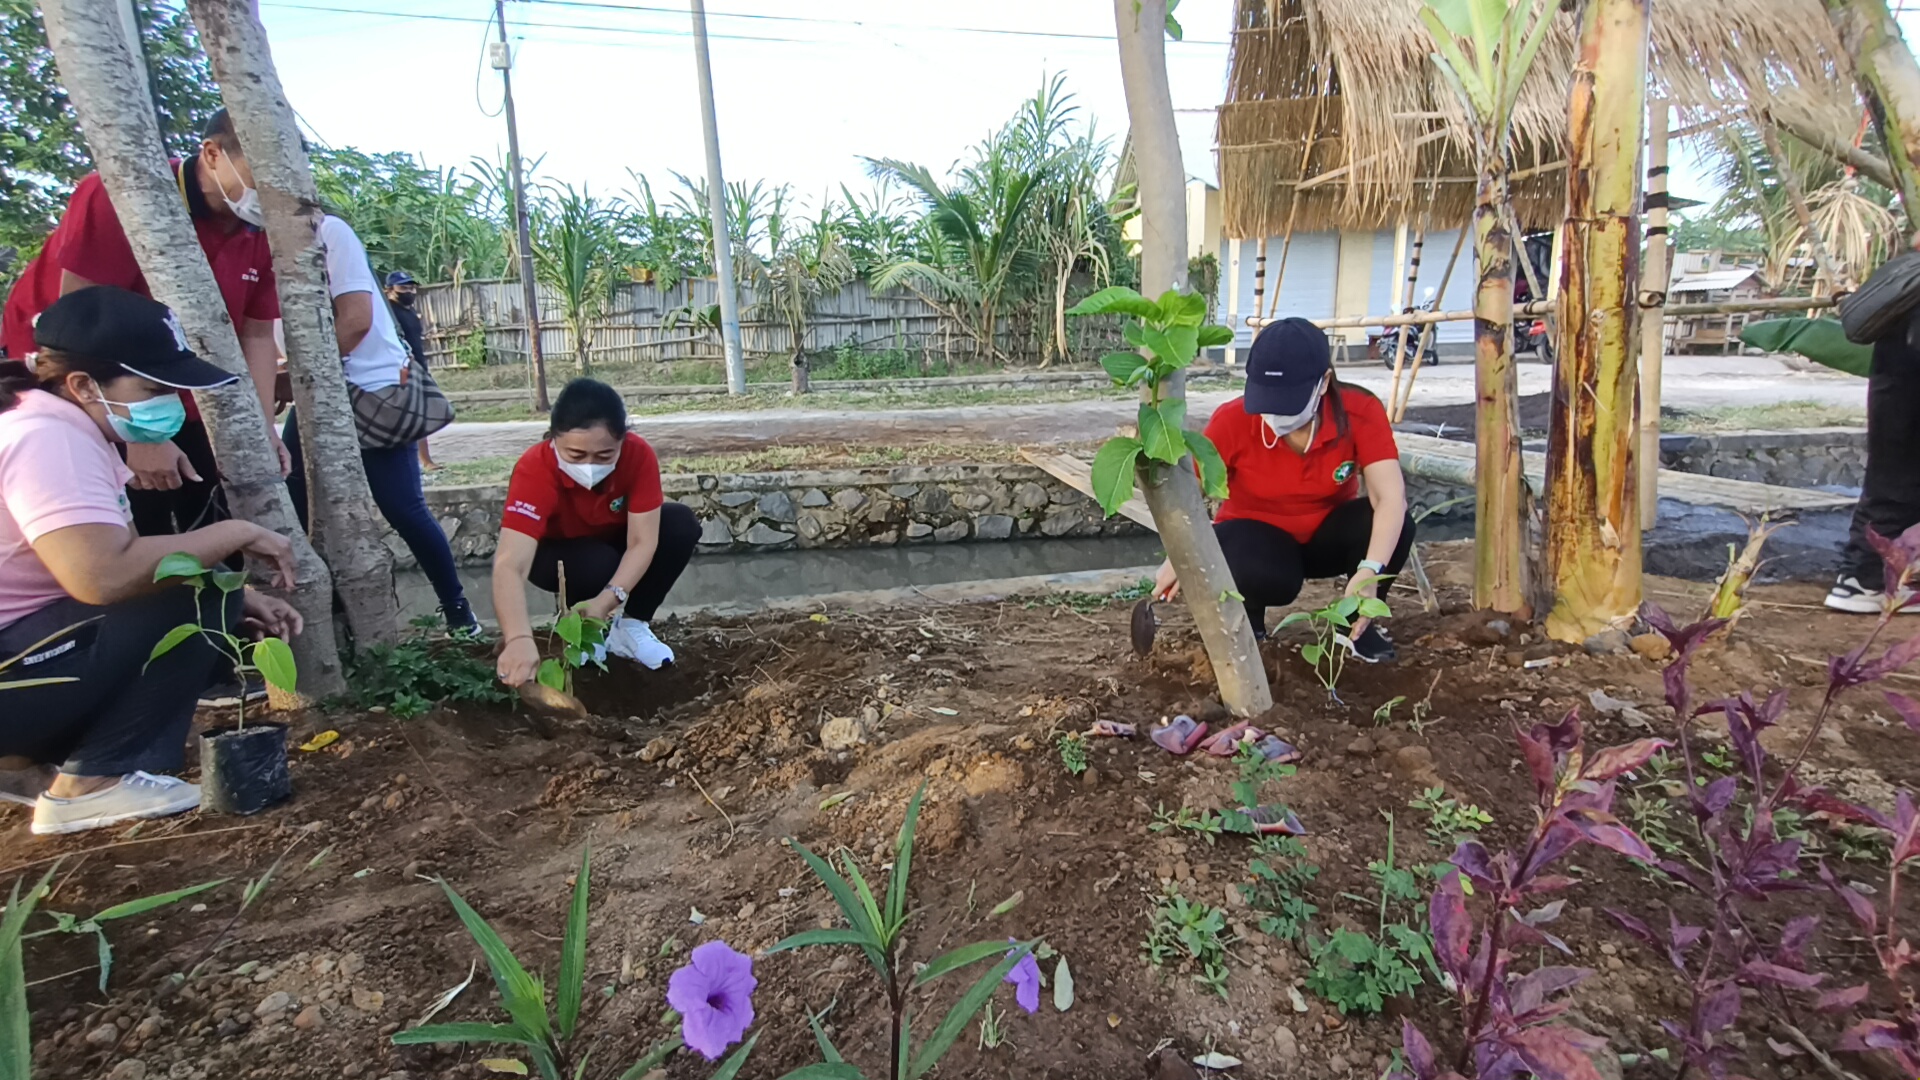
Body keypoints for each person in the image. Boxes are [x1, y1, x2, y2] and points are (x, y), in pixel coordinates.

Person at [0, 287, 303, 835]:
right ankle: (90, 786)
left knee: (206, 585)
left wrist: (240, 597)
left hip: (17, 661)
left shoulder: (64, 426)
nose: (167, 401)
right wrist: (234, 534)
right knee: (197, 589)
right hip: (12, 678)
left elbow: (133, 555)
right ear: (84, 385)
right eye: (152, 388)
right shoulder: (48, 438)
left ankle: (22, 764)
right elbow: (104, 575)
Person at [1, 108, 290, 540]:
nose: (273, 193)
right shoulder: (127, 192)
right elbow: (85, 317)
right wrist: (141, 437)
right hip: (88, 390)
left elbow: (256, 335)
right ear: (213, 153)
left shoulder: (262, 228)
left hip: (180, 387)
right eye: (261, 174)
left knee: (212, 518)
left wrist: (263, 428)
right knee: (127, 530)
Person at [1154, 317, 1413, 663]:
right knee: (1237, 550)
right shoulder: (1231, 421)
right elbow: (1189, 494)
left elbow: (1390, 496)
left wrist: (1371, 570)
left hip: (1325, 537)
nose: (1274, 414)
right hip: (1258, 546)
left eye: (1287, 401)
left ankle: (1355, 624)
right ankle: (1250, 620)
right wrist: (1180, 554)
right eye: (1266, 400)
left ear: (1324, 383)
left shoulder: (1359, 411)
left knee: (1394, 522)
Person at [281, 215, 477, 633]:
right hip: (315, 391)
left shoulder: (327, 232)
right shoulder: (254, 242)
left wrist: (291, 373)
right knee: (295, 503)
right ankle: (327, 616)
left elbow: (355, 322)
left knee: (402, 508)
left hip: (372, 392)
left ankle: (458, 609)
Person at [492, 378, 700, 686]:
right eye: (575, 455)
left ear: (622, 441)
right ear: (553, 439)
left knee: (680, 524)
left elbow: (643, 541)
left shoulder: (638, 455)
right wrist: (518, 637)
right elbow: (510, 563)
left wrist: (608, 600)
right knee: (596, 561)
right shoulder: (534, 468)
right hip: (557, 554)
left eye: (604, 456)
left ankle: (631, 628)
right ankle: (583, 632)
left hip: (615, 543)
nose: (589, 465)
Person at [1829, 233, 1920, 613]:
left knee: (1894, 475)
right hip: (1907, 374)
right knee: (1899, 477)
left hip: (1897, 373)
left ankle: (1869, 576)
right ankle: (1865, 578)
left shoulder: (1903, 288)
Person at [383, 270, 438, 472]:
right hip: (401, 370)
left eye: (411, 287)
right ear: (389, 290)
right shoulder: (389, 313)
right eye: (403, 288)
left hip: (418, 367)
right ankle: (421, 460)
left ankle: (424, 459)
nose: (409, 291)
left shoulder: (410, 312)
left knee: (420, 414)